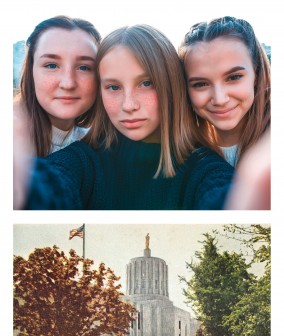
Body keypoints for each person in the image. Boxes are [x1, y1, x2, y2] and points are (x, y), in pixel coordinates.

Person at [14, 24, 234, 210]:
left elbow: (226, 198)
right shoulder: (83, 159)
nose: (128, 105)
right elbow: (49, 184)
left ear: (171, 85)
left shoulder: (207, 170)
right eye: (113, 87)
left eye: (146, 83)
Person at [179, 16, 270, 167]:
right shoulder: (183, 156)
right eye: (201, 84)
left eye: (234, 77)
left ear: (256, 73)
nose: (220, 99)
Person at [16, 15, 101, 156]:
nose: (68, 83)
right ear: (31, 73)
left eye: (84, 67)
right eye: (51, 65)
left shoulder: (101, 148)